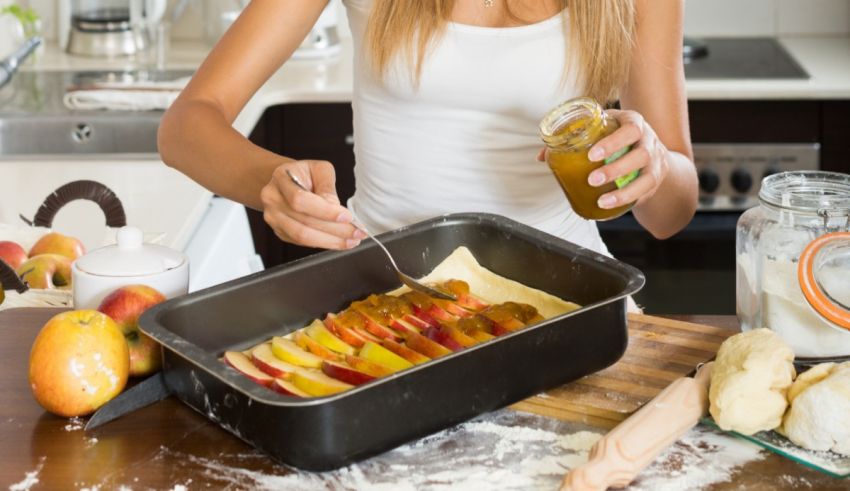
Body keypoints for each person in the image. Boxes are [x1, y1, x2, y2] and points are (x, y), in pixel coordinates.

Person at [159, 0, 697, 258]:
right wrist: (270, 180)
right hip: (387, 290)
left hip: (570, 294)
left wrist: (654, 166)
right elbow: (186, 125)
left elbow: (669, 215)